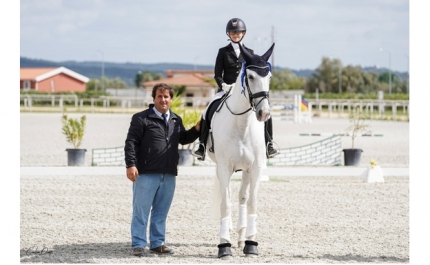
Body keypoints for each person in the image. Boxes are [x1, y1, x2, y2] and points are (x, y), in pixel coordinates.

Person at [124, 83, 201, 257]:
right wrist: (131, 164)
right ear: (153, 98)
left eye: (166, 96)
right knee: (140, 210)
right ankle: (138, 244)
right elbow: (131, 143)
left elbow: (183, 139)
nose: (163, 99)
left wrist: (197, 129)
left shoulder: (176, 119)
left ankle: (157, 243)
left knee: (161, 211)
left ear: (171, 99)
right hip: (145, 173)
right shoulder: (141, 118)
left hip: (169, 173)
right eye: (159, 96)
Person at [191, 17, 279, 161]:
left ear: (243, 33)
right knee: (207, 110)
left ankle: (269, 144)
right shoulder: (223, 52)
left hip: (244, 92)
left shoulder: (250, 52)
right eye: (232, 32)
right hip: (226, 89)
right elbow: (217, 75)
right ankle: (201, 146)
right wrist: (224, 85)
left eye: (238, 32)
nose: (235, 34)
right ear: (228, 34)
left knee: (266, 111)